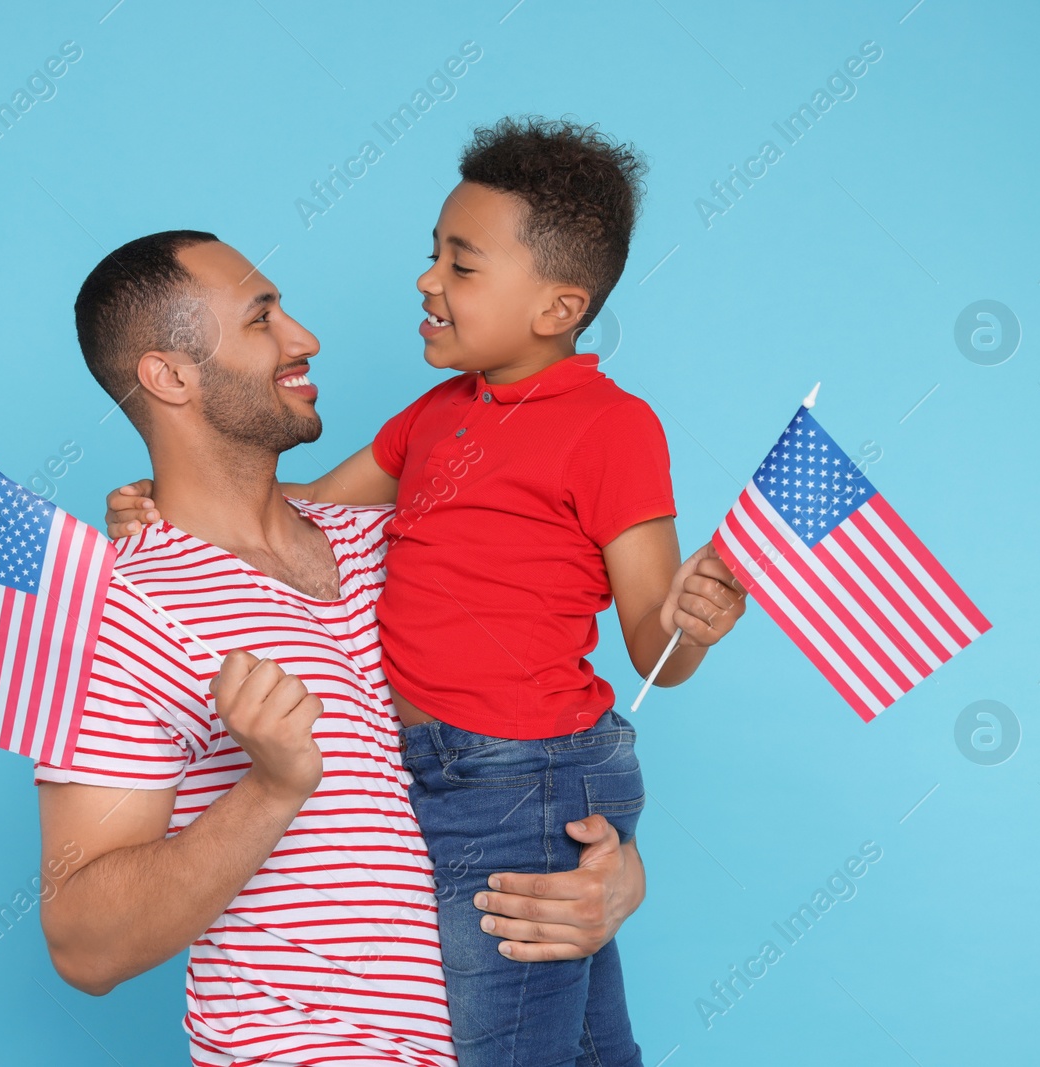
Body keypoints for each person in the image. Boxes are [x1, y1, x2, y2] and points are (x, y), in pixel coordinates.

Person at [104, 117, 749, 1067]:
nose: (427, 280)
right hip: (453, 767)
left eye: (463, 263)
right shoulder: (437, 416)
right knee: (582, 1038)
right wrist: (166, 500)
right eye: (432, 253)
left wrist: (696, 623)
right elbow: (304, 502)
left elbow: (656, 645)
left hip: (520, 770)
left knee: (504, 1039)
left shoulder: (613, 428)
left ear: (557, 306)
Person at [37, 228, 650, 1067]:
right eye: (262, 320)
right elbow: (82, 944)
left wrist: (615, 877)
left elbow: (525, 745)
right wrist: (271, 787)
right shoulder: (125, 609)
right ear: (168, 374)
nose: (305, 337)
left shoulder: (404, 538)